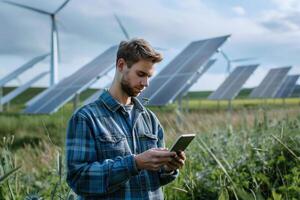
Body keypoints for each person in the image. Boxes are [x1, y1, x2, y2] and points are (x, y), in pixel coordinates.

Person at [66, 38, 186, 199]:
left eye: (149, 76)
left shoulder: (150, 119)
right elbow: (79, 179)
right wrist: (134, 163)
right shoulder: (86, 118)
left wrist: (168, 168)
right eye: (141, 74)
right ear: (121, 65)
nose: (146, 83)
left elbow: (156, 179)